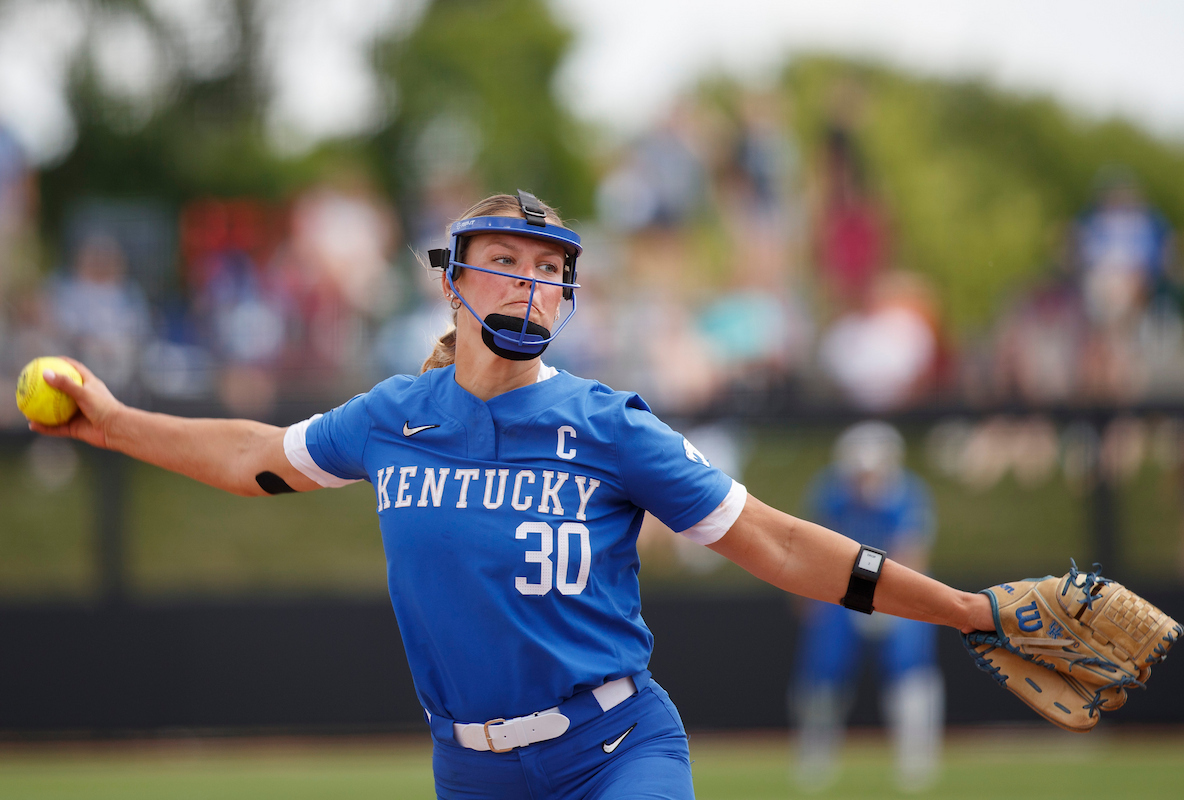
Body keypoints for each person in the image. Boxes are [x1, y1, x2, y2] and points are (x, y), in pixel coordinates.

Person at [29, 191, 994, 800]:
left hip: (615, 749)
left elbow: (777, 543)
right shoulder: (393, 416)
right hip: (470, 771)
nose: (530, 284)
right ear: (453, 283)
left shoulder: (610, 426)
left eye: (549, 270)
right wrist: (114, 424)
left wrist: (966, 610)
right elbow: (254, 458)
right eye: (505, 262)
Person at [789, 421, 943, 792]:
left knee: (909, 665)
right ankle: (815, 752)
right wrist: (808, 593)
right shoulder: (830, 492)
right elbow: (812, 547)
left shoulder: (908, 495)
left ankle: (917, 754)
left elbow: (912, 555)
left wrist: (885, 597)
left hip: (896, 590)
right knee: (824, 667)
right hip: (841, 590)